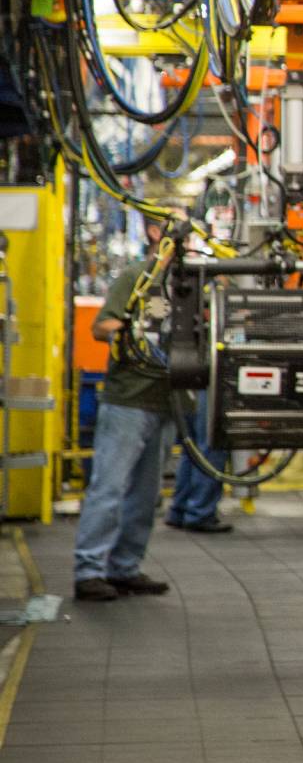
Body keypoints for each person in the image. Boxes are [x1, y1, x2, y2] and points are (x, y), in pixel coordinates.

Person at [73, 214, 181, 602]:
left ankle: (124, 568)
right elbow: (100, 327)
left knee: (147, 495)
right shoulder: (137, 278)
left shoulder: (187, 286)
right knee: (110, 487)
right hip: (128, 402)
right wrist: (137, 329)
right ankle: (89, 571)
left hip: (166, 404)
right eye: (180, 229)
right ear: (156, 232)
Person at [165, 394, 231, 534]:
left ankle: (180, 510)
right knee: (212, 446)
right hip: (208, 385)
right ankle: (200, 513)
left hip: (187, 385)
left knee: (191, 449)